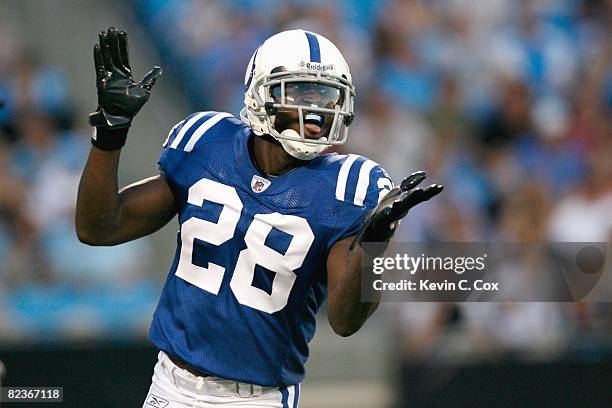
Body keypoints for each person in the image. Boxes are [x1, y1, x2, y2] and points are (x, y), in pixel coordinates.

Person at [76, 27, 442, 408]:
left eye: (325, 94)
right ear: (259, 94)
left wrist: (374, 246)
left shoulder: (347, 187)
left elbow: (346, 321)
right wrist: (110, 131)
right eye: (300, 91)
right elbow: (99, 227)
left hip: (256, 399)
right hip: (169, 384)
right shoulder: (207, 143)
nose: (316, 109)